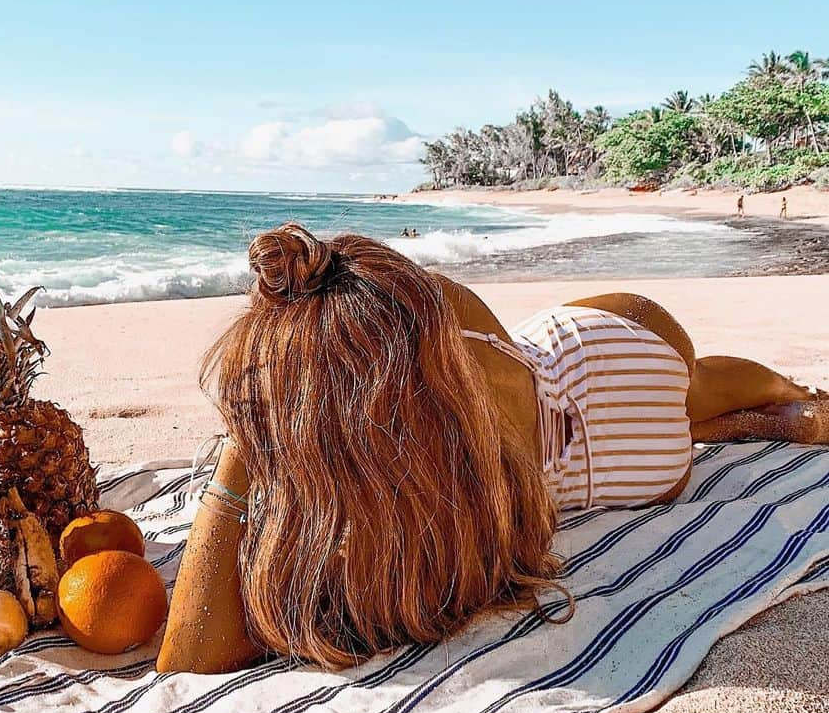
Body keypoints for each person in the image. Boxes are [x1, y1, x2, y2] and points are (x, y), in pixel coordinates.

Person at [156, 223, 829, 675]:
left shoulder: (429, 523)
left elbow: (189, 654)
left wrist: (249, 437)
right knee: (696, 384)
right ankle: (787, 399)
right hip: (611, 348)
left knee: (682, 413)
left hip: (635, 470)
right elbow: (369, 295)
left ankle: (754, 418)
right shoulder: (433, 316)